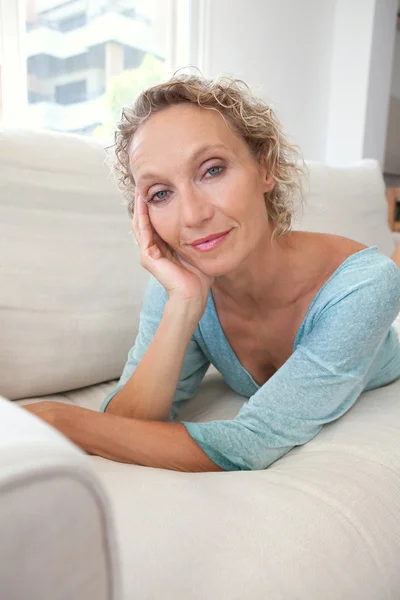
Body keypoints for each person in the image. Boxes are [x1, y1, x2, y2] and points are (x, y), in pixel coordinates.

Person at [24, 73, 400, 472]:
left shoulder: (365, 287)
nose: (193, 216)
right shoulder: (185, 276)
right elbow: (123, 428)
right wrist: (184, 305)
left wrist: (56, 418)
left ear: (265, 167)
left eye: (212, 170)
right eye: (160, 194)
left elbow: (251, 442)